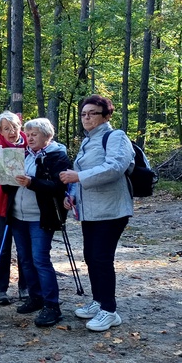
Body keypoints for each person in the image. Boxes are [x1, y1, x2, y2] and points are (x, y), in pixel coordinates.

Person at [60, 94, 134, 332]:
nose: (87, 117)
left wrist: (78, 176)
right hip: (90, 211)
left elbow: (115, 167)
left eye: (93, 113)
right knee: (91, 257)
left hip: (112, 210)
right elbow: (80, 174)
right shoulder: (88, 141)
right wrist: (72, 195)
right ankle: (99, 301)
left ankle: (109, 311)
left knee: (102, 258)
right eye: (83, 114)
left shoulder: (116, 137)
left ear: (106, 116)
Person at [6, 118, 70, 327]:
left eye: (34, 134)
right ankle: (36, 297)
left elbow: (58, 187)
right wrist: (5, 177)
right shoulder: (23, 155)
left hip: (40, 217)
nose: (30, 138)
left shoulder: (57, 156)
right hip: (18, 215)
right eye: (28, 134)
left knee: (40, 259)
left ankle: (52, 305)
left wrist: (32, 182)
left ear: (47, 136)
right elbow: (10, 186)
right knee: (25, 259)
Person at [0, 111, 29, 305]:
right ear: (0, 131)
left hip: (25, 203)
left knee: (25, 247)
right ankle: (0, 288)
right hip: (2, 203)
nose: (11, 131)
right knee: (3, 246)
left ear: (20, 127)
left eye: (14, 127)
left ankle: (25, 286)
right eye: (6, 128)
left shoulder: (29, 144)